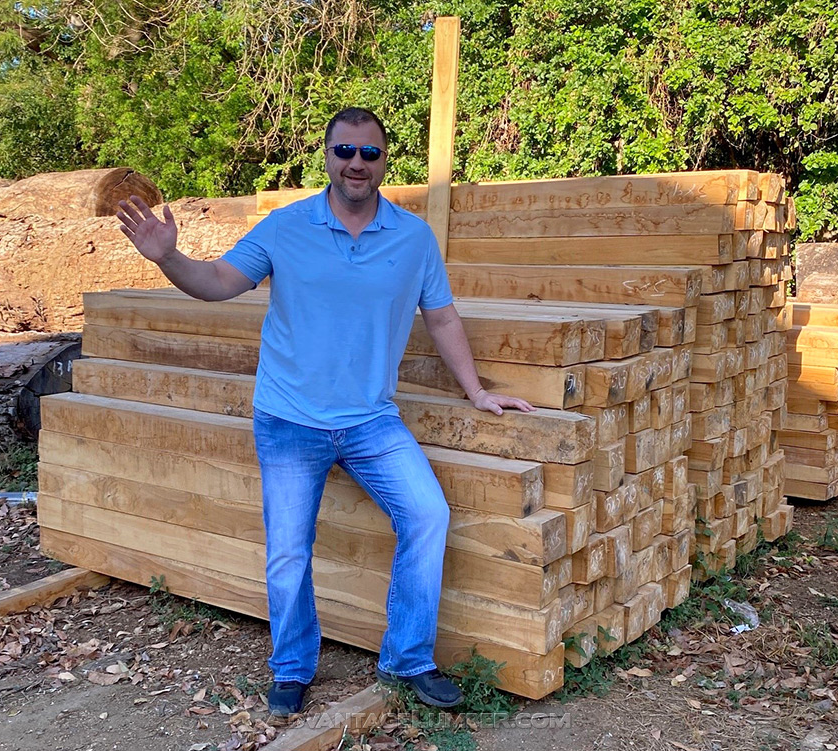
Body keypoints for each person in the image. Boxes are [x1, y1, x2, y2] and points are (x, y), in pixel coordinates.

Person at [116, 107, 535, 717]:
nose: (356, 164)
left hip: (370, 420)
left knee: (428, 514)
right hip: (289, 420)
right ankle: (292, 668)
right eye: (345, 152)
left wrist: (475, 390)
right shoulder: (285, 228)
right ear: (328, 157)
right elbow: (215, 283)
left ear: (385, 160)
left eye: (369, 153)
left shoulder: (414, 237)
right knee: (288, 550)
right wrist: (167, 258)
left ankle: (408, 659)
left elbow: (441, 316)